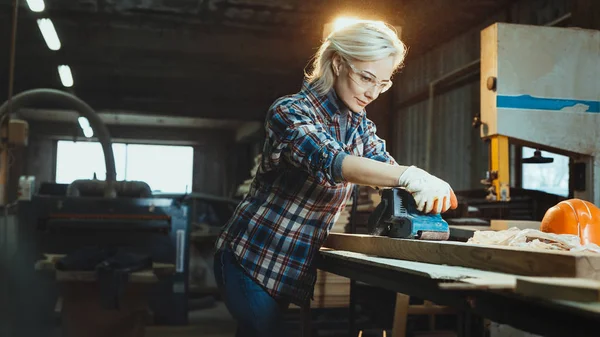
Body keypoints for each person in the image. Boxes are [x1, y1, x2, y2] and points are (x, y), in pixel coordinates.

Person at [213, 19, 458, 336]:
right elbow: (331, 160)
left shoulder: (359, 127)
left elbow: (385, 169)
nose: (372, 93)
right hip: (250, 259)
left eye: (382, 84)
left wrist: (421, 190)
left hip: (290, 267)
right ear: (339, 63)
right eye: (366, 78)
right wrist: (409, 175)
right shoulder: (289, 112)